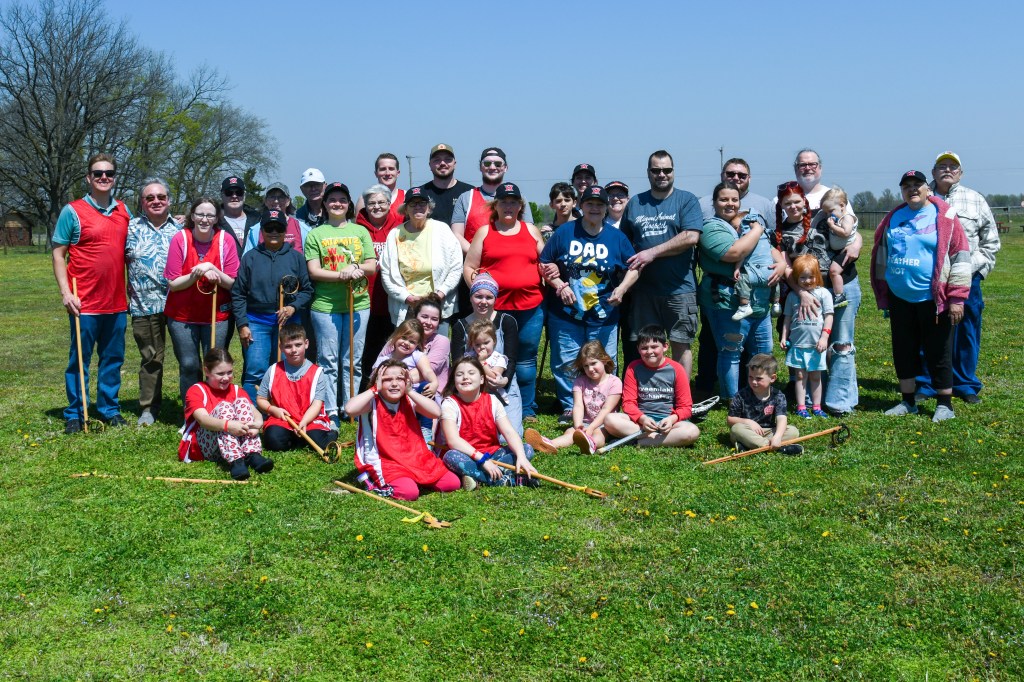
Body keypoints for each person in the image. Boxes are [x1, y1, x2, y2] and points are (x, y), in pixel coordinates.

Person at [871, 170, 971, 423]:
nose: (912, 189)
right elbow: (881, 255)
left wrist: (957, 297)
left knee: (939, 350)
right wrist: (883, 292)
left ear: (928, 188)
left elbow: (960, 254)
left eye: (917, 185)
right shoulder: (893, 217)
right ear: (901, 191)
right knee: (903, 349)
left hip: (932, 297)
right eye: (907, 186)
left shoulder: (944, 216)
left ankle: (944, 404)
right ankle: (908, 401)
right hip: (899, 296)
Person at [539, 185, 638, 423]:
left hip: (604, 314)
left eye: (600, 204)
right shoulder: (564, 233)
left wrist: (622, 289)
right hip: (565, 314)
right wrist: (560, 285)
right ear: (580, 206)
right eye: (590, 204)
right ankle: (569, 407)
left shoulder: (616, 237)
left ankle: (603, 406)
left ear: (606, 208)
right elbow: (544, 263)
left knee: (603, 360)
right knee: (566, 360)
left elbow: (633, 268)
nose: (595, 208)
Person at [53, 152, 132, 433]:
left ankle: (109, 408)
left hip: (116, 303)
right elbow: (58, 253)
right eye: (98, 173)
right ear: (88, 177)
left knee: (113, 359)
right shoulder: (72, 211)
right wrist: (66, 293)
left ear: (114, 178)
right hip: (83, 302)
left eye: (108, 173)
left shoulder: (124, 211)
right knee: (80, 360)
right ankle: (75, 411)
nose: (103, 178)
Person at [916, 151, 1001, 404]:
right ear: (932, 172)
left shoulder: (975, 200)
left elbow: (991, 241)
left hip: (967, 278)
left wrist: (977, 270)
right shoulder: (921, 198)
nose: (948, 170)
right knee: (927, 330)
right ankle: (927, 383)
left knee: (967, 330)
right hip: (928, 277)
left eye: (953, 166)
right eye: (942, 166)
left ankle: (964, 383)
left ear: (961, 173)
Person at [773, 181, 863, 416]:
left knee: (841, 343)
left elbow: (852, 230)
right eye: (787, 203)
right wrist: (801, 293)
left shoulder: (821, 217)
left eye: (797, 201)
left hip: (838, 284)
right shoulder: (780, 233)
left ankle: (839, 401)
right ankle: (814, 400)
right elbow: (786, 268)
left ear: (805, 201)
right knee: (811, 342)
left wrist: (859, 242)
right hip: (805, 294)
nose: (793, 207)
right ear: (781, 205)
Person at [463, 182, 545, 423]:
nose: (508, 206)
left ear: (520, 206)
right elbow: (469, 267)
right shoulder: (485, 232)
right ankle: (489, 401)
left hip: (530, 305)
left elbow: (546, 259)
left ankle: (527, 407)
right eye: (503, 202)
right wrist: (479, 294)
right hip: (495, 310)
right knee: (493, 355)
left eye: (513, 202)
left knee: (527, 356)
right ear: (495, 206)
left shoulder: (530, 230)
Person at [695, 158, 776, 395]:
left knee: (762, 350)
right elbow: (735, 252)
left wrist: (780, 265)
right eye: (723, 200)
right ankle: (733, 399)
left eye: (734, 200)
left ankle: (760, 395)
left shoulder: (744, 225)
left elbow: (770, 249)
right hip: (725, 300)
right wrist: (758, 228)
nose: (729, 204)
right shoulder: (712, 227)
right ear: (715, 202)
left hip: (759, 301)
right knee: (730, 350)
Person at [620, 150, 703, 374]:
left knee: (680, 343)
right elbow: (625, 243)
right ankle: (648, 396)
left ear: (674, 172)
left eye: (667, 170)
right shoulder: (636, 203)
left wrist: (652, 253)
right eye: (656, 170)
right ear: (648, 173)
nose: (662, 174)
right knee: (646, 345)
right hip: (644, 291)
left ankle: (682, 398)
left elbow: (691, 236)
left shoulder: (686, 200)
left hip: (679, 289)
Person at [304, 181, 376, 425]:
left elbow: (371, 265)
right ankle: (330, 408)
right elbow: (314, 271)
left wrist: (355, 267)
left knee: (352, 359)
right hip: (326, 307)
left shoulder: (360, 232)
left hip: (358, 305)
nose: (337, 204)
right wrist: (342, 274)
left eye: (342, 200)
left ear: (349, 205)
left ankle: (351, 406)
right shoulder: (316, 234)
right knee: (328, 360)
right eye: (332, 200)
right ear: (324, 204)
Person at [348, 359, 461, 501]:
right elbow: (350, 409)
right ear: (378, 381)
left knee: (452, 483)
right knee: (409, 493)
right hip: (386, 461)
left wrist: (410, 391)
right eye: (387, 379)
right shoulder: (372, 401)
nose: (394, 383)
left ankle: (413, 479)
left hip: (415, 456)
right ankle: (373, 484)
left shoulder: (408, 399)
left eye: (400, 379)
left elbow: (436, 412)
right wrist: (374, 389)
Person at [233, 208, 314, 403]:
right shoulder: (250, 257)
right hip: (257, 320)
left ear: (285, 230)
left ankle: (288, 408)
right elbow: (238, 293)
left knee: (289, 367)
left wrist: (292, 307)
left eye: (278, 227)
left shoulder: (295, 257)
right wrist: (243, 324)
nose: (274, 232)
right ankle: (251, 415)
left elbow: (307, 290)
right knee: (256, 369)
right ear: (262, 230)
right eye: (269, 227)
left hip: (288, 319)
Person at [164, 197, 238, 403]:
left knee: (215, 364)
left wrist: (212, 268)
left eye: (210, 215)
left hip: (216, 315)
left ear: (216, 218)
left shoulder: (225, 240)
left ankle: (215, 407)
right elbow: (173, 283)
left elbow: (232, 283)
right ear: (192, 216)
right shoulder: (181, 238)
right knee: (189, 364)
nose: (205, 219)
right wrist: (196, 274)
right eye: (200, 214)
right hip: (183, 316)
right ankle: (193, 411)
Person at [124, 177, 180, 426]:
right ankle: (148, 407)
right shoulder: (130, 229)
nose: (156, 201)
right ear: (142, 202)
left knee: (188, 358)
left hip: (179, 305)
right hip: (144, 305)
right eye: (150, 197)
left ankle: (195, 406)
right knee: (151, 358)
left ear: (169, 200)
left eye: (161, 197)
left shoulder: (181, 230)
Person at [440, 357, 538, 490]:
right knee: (450, 457)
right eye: (459, 374)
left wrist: (521, 457)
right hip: (467, 455)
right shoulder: (449, 404)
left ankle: (477, 477)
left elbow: (509, 432)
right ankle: (507, 480)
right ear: (454, 381)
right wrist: (482, 460)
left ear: (481, 379)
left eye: (471, 373)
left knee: (526, 449)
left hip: (494, 454)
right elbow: (453, 441)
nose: (465, 377)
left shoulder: (493, 400)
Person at [178, 348, 274, 481]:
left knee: (241, 402)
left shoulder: (235, 390)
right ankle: (236, 461)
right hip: (207, 445)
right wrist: (228, 425)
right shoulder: (196, 390)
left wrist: (257, 424)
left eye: (229, 372)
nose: (226, 378)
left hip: (237, 439)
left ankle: (252, 454)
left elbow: (254, 411)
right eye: (220, 373)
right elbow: (203, 420)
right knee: (224, 406)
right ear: (207, 371)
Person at [602, 325, 700, 447]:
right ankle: (659, 439)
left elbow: (685, 406)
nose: (649, 352)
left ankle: (638, 442)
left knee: (692, 431)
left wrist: (672, 419)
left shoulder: (677, 369)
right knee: (609, 420)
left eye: (654, 347)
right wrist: (642, 419)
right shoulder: (633, 367)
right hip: (640, 422)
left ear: (665, 347)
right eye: (644, 348)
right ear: (638, 349)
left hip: (669, 421)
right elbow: (628, 402)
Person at [379, 185, 463, 327]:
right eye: (412, 204)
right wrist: (407, 298)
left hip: (437, 306)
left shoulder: (442, 230)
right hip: (406, 308)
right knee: (406, 348)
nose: (418, 207)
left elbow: (456, 266)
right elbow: (386, 273)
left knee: (437, 347)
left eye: (422, 203)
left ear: (429, 208)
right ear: (405, 209)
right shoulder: (394, 234)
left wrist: (440, 294)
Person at [450, 273, 523, 434]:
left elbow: (511, 358)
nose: (483, 302)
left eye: (489, 297)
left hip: (503, 384)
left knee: (509, 437)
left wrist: (504, 380)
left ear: (495, 299)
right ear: (470, 297)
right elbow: (457, 362)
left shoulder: (507, 321)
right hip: (473, 386)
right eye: (478, 296)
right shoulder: (460, 326)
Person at [525, 340, 622, 455]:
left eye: (593, 363)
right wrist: (578, 426)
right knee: (569, 432)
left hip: (604, 424)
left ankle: (591, 444)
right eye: (586, 366)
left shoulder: (614, 382)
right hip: (584, 422)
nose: (590, 369)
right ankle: (549, 444)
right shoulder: (580, 381)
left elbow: (607, 409)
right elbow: (578, 405)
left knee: (599, 435)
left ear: (604, 360)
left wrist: (591, 428)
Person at [355, 183, 404, 387]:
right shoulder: (357, 228)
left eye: (381, 202)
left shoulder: (400, 225)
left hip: (392, 299)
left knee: (391, 346)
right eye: (371, 203)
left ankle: (389, 385)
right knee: (367, 348)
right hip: (365, 298)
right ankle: (365, 387)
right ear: (365, 205)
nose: (376, 206)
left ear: (389, 203)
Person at [256, 324, 332, 451]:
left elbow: (317, 404)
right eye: (288, 346)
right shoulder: (273, 370)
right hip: (283, 419)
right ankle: (295, 437)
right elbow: (261, 399)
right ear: (281, 347)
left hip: (309, 418)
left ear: (306, 344)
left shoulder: (317, 372)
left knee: (317, 439)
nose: (293, 350)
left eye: (298, 345)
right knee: (273, 440)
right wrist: (273, 409)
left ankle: (330, 433)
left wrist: (304, 422)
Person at [450, 147, 535, 254]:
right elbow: (456, 234)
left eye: (498, 164)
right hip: (476, 266)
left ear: (505, 168)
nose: (492, 167)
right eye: (487, 163)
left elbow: (530, 232)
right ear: (480, 167)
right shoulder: (466, 198)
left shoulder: (520, 198)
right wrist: (478, 255)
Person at [780, 255, 834, 419]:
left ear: (817, 275)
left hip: (816, 345)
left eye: (811, 276)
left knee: (816, 376)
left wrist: (824, 337)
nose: (807, 281)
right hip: (798, 344)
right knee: (800, 376)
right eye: (802, 277)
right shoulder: (792, 296)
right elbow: (787, 318)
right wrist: (784, 336)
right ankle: (801, 407)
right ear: (796, 278)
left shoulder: (824, 294)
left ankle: (817, 406)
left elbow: (829, 316)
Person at [372, 320, 439, 441]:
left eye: (412, 341)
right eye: (404, 338)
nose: (406, 343)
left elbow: (427, 371)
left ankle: (425, 430)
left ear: (418, 344)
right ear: (396, 336)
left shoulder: (416, 356)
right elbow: (375, 379)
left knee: (425, 386)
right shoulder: (383, 359)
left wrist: (434, 382)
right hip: (391, 395)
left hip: (413, 395)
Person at [726, 353, 802, 455]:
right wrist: (748, 422)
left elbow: (781, 418)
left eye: (758, 378)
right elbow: (730, 419)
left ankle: (750, 446)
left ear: (773, 378)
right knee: (736, 429)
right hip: (748, 431)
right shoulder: (741, 395)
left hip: (769, 432)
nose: (753, 382)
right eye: (750, 377)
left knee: (793, 431)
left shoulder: (778, 395)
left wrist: (777, 436)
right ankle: (776, 448)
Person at [699, 158, 775, 230]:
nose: (736, 178)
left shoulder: (765, 205)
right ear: (722, 176)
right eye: (730, 174)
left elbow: (777, 235)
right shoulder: (702, 204)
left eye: (742, 176)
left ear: (749, 179)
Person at [813, 186, 858, 307]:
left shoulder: (847, 217)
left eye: (831, 211)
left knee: (834, 271)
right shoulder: (837, 216)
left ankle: (839, 296)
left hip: (844, 251)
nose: (828, 215)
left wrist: (832, 226)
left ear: (842, 206)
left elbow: (846, 232)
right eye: (826, 212)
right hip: (836, 251)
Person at [416, 143, 473, 227]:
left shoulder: (470, 193)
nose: (442, 163)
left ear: (455, 164)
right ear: (430, 165)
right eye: (437, 160)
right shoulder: (419, 194)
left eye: (448, 159)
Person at [243, 182, 306, 252]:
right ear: (266, 201)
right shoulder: (255, 230)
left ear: (288, 201)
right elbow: (248, 259)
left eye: (281, 197)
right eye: (272, 197)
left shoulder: (302, 228)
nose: (276, 201)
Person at [466, 319, 509, 405]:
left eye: (486, 343)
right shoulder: (469, 357)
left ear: (494, 341)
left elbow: (494, 377)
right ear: (472, 345)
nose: (482, 347)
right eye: (477, 344)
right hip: (472, 392)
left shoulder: (498, 358)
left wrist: (482, 362)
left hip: (493, 394)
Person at [354, 153, 405, 218]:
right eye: (383, 169)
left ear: (398, 173)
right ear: (376, 173)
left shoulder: (406, 198)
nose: (387, 173)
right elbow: (358, 227)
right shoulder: (364, 199)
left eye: (391, 169)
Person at [218, 175, 260, 252]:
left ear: (244, 195)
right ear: (222, 195)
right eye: (229, 193)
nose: (234, 196)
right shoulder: (214, 221)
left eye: (239, 192)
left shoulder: (258, 220)